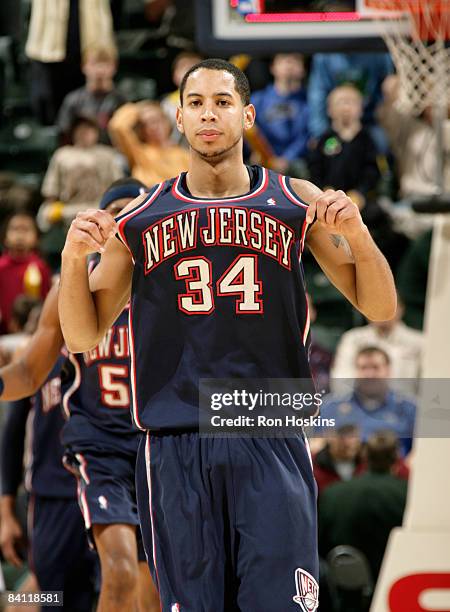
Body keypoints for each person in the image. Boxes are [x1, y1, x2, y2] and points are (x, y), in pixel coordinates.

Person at [57, 58, 396, 610]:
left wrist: (355, 231)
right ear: (180, 119)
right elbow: (81, 333)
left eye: (221, 102)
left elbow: (379, 306)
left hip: (269, 429)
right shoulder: (140, 217)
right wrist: (74, 261)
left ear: (247, 113)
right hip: (176, 441)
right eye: (195, 104)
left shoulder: (296, 201)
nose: (208, 114)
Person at [0, 179, 160, 612]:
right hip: (87, 459)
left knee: (154, 593)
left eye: (136, 210)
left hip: (158, 448)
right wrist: (5, 506)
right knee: (96, 582)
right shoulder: (75, 286)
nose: (127, 219)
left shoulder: (173, 286)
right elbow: (27, 379)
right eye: (117, 211)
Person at [0, 358, 97, 611]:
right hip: (51, 500)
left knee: (122, 590)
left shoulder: (119, 345)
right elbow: (11, 437)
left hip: (106, 492)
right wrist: (5, 514)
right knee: (48, 597)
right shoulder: (40, 352)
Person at [318, 430, 408, 581]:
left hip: (344, 585)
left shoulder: (332, 494)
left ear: (365, 456)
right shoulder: (408, 493)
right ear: (397, 459)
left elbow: (320, 544)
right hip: (395, 580)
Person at [323, 346, 416, 457]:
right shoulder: (330, 407)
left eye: (376, 368)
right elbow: (315, 446)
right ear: (355, 371)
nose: (369, 374)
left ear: (388, 371)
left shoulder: (409, 409)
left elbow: (419, 452)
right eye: (363, 368)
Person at [331, 300, 423, 391]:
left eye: (386, 306)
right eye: (374, 306)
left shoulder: (420, 342)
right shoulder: (352, 339)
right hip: (359, 402)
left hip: (405, 403)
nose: (380, 311)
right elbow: (341, 380)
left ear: (400, 309)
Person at [251, 53, 309, 174]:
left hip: (297, 163)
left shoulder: (309, 101)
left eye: (296, 60)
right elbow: (247, 129)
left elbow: (306, 135)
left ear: (303, 70)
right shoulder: (257, 100)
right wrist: (259, 151)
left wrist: (287, 158)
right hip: (262, 159)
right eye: (283, 59)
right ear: (272, 67)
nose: (289, 63)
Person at [57, 45, 127, 145]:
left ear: (114, 67)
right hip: (80, 153)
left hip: (113, 154)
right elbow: (64, 133)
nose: (100, 70)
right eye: (94, 64)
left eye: (105, 64)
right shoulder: (73, 99)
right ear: (84, 66)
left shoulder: (121, 100)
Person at [108, 100, 190, 185]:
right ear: (141, 130)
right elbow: (117, 126)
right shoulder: (140, 153)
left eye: (156, 120)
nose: (153, 127)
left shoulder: (184, 154)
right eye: (146, 124)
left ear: (167, 122)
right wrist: (137, 109)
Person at [0, 212, 51, 335]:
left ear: (36, 239)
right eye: (15, 229)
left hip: (33, 332)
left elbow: (46, 302)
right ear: (5, 238)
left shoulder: (41, 267)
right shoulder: (1, 267)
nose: (20, 235)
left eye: (26, 229)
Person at [161, 51, 203, 145]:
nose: (190, 74)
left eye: (196, 70)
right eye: (185, 68)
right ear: (175, 76)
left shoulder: (211, 101)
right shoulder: (167, 103)